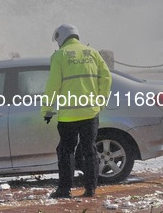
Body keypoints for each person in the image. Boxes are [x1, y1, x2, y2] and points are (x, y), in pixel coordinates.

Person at [41, 24, 112, 199]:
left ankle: (64, 190)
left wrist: (47, 109)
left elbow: (53, 85)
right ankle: (90, 189)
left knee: (66, 150)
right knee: (89, 150)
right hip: (90, 113)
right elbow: (106, 78)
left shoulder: (60, 56)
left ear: (60, 38)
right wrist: (100, 102)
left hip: (69, 116)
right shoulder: (92, 53)